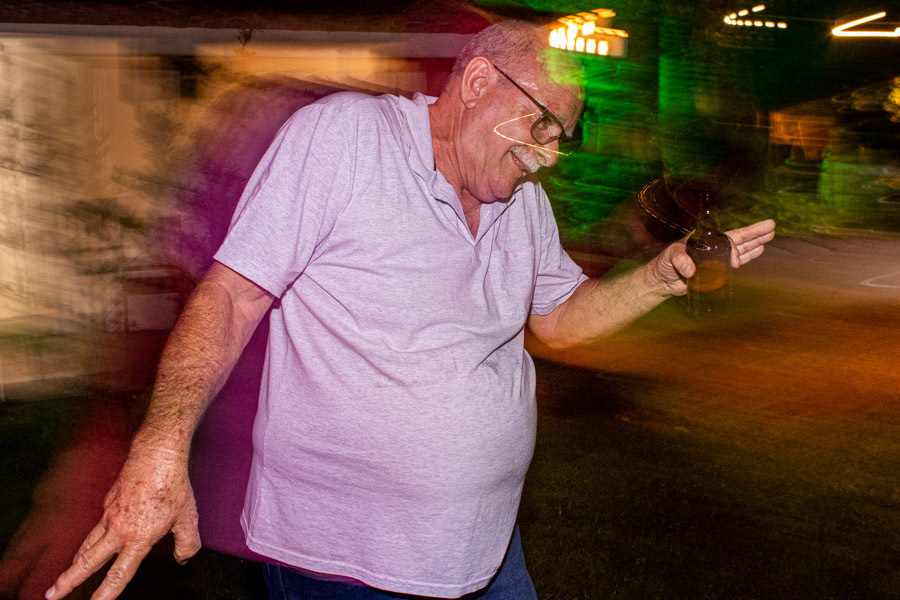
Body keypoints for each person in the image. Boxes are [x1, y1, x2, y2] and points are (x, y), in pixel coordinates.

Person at [45, 20, 775, 600]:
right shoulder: (346, 139)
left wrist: (661, 276)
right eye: (542, 126)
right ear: (479, 82)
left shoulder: (522, 203)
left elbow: (558, 320)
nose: (550, 155)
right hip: (342, 562)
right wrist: (160, 449)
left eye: (562, 139)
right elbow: (233, 294)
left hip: (485, 552)